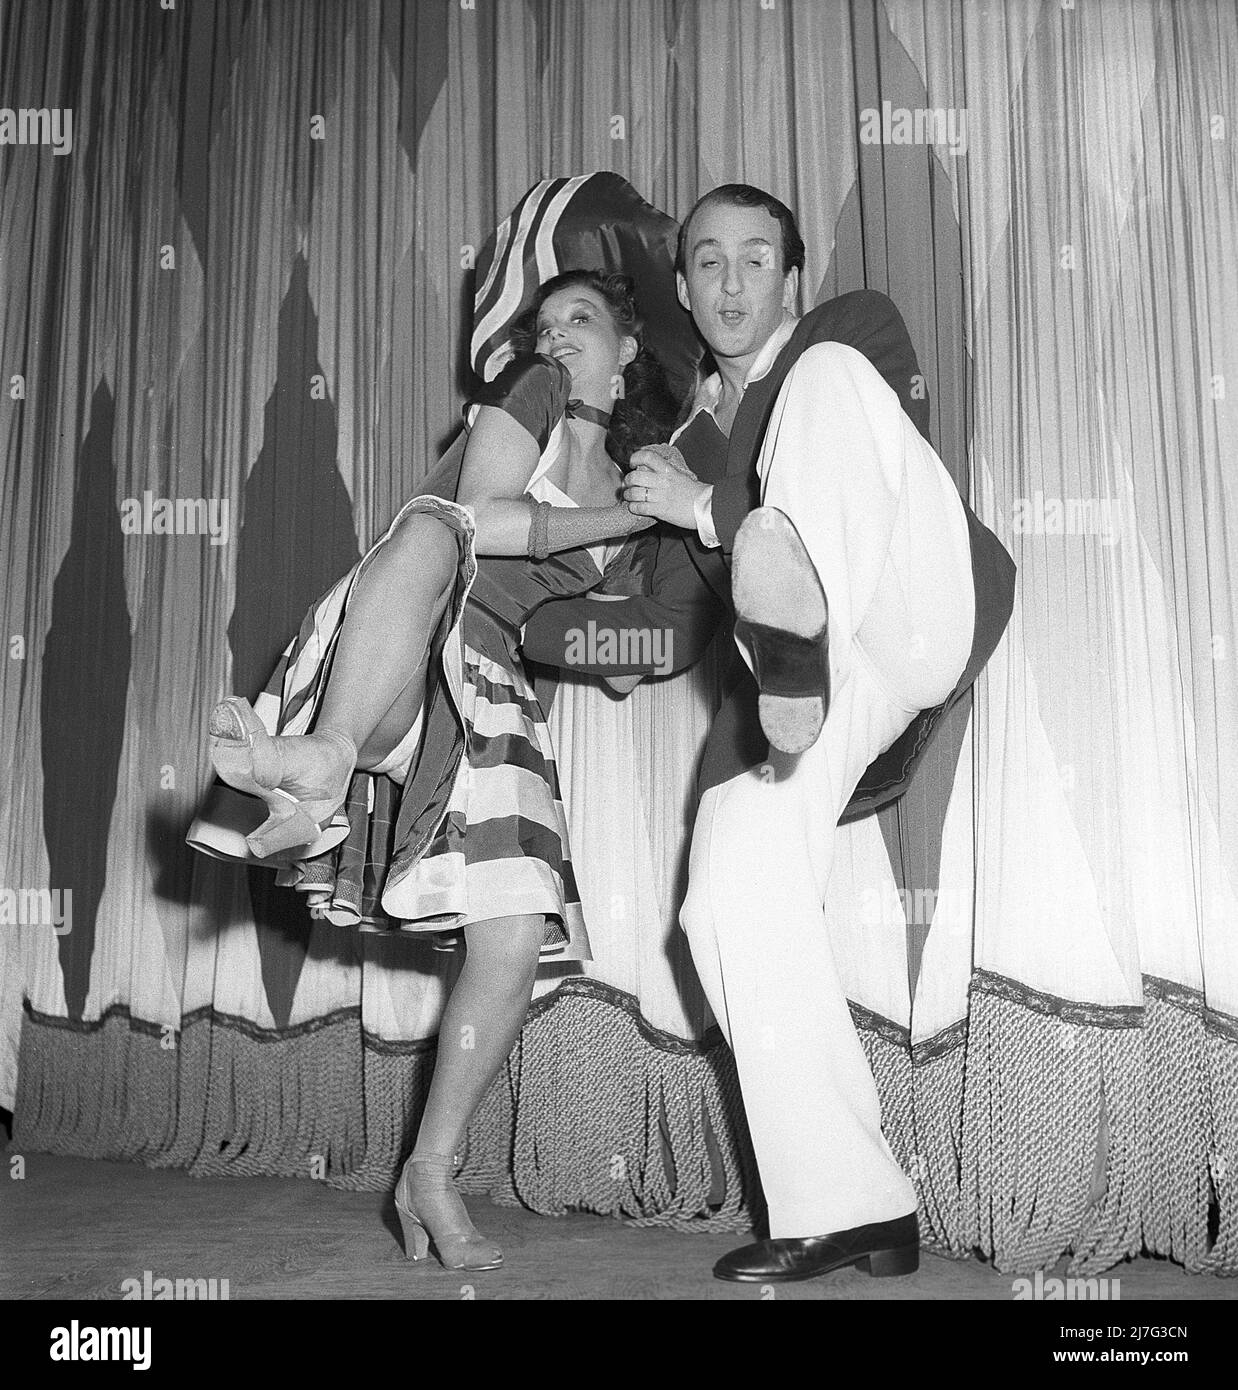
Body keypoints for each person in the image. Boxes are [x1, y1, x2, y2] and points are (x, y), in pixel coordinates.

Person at [521, 185, 1017, 1282]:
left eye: (755, 259)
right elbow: (655, 638)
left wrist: (706, 509)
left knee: (821, 396)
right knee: (726, 877)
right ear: (688, 294)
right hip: (819, 689)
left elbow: (862, 454)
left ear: (789, 278)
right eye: (707, 263)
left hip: (906, 605)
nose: (733, 281)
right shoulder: (688, 440)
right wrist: (520, 628)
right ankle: (853, 1205)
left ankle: (797, 631)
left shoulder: (848, 333)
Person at [189, 269, 681, 1272]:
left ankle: (429, 1169)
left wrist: (657, 567)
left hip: (494, 696)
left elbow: (613, 654)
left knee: (506, 944)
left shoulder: (638, 479)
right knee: (427, 522)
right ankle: (321, 754)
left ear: (629, 349)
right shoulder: (533, 397)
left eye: (578, 323)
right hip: (407, 638)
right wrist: (625, 528)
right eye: (541, 324)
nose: (554, 339)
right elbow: (477, 520)